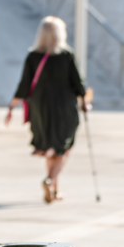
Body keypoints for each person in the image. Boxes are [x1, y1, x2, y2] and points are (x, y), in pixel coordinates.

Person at [5, 16, 87, 203]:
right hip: (64, 107)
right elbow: (78, 82)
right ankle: (50, 180)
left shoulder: (33, 56)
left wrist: (11, 106)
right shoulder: (66, 55)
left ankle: (54, 189)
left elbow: (24, 84)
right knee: (63, 146)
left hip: (40, 107)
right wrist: (84, 100)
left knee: (50, 148)